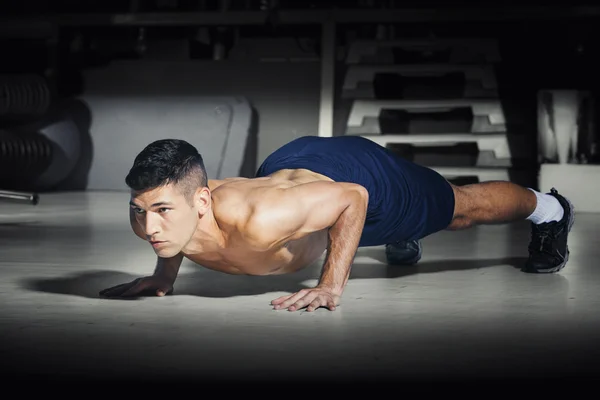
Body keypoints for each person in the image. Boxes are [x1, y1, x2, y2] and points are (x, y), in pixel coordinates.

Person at [99, 135, 575, 312]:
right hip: (293, 173)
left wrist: (330, 285)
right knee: (326, 220)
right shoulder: (169, 212)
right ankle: (399, 234)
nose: (150, 226)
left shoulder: (262, 220)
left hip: (354, 177)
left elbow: (354, 198)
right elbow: (167, 215)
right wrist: (163, 278)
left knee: (460, 210)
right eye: (140, 211)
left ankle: (551, 209)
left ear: (201, 201)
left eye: (162, 212)